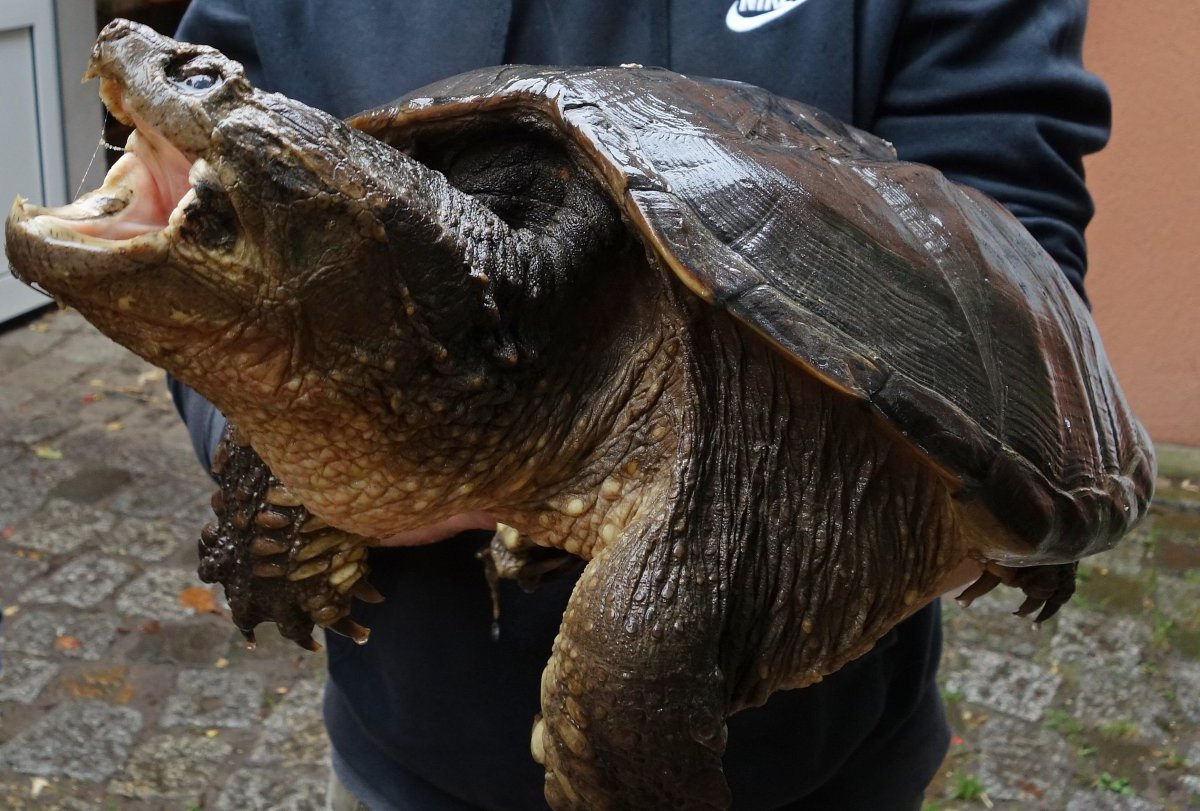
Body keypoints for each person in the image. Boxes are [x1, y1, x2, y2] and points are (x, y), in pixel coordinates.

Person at [168, 1, 1110, 808]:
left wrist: (1005, 477)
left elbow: (1008, 205)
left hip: (815, 745)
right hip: (403, 741)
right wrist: (289, 421)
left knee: (636, 647)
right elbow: (208, 195)